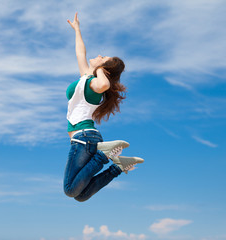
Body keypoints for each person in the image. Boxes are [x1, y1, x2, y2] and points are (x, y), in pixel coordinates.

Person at [64, 12, 144, 202]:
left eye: (103, 57)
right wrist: (77, 30)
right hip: (85, 138)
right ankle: (117, 167)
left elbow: (105, 85)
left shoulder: (95, 84)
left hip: (83, 138)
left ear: (104, 69)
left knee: (69, 189)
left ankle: (104, 156)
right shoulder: (87, 78)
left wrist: (100, 69)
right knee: (80, 195)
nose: (98, 55)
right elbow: (80, 52)